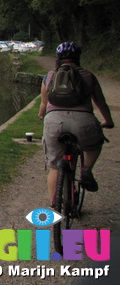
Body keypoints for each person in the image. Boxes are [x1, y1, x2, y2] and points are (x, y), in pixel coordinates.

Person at [38, 41, 114, 203]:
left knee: (54, 166)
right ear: (78, 58)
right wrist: (108, 120)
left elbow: (44, 103)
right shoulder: (88, 75)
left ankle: (55, 202)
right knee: (94, 145)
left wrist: (41, 115)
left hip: (54, 121)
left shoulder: (49, 76)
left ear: (57, 58)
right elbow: (101, 102)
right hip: (83, 121)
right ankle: (86, 170)